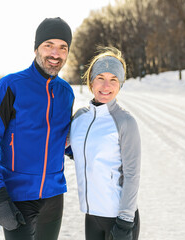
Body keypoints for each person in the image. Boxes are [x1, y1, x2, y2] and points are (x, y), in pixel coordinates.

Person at [0, 17, 74, 240]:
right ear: (36, 47)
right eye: (48, 45)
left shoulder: (66, 93)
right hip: (17, 197)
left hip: (54, 197)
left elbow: (62, 141)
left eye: (62, 47)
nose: (55, 54)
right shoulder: (11, 86)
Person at [68, 47, 141, 240]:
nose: (106, 85)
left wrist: (125, 221)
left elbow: (132, 174)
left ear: (120, 84)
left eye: (113, 79)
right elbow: (78, 151)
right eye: (100, 77)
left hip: (118, 218)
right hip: (91, 215)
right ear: (91, 81)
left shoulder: (125, 122)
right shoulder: (80, 117)